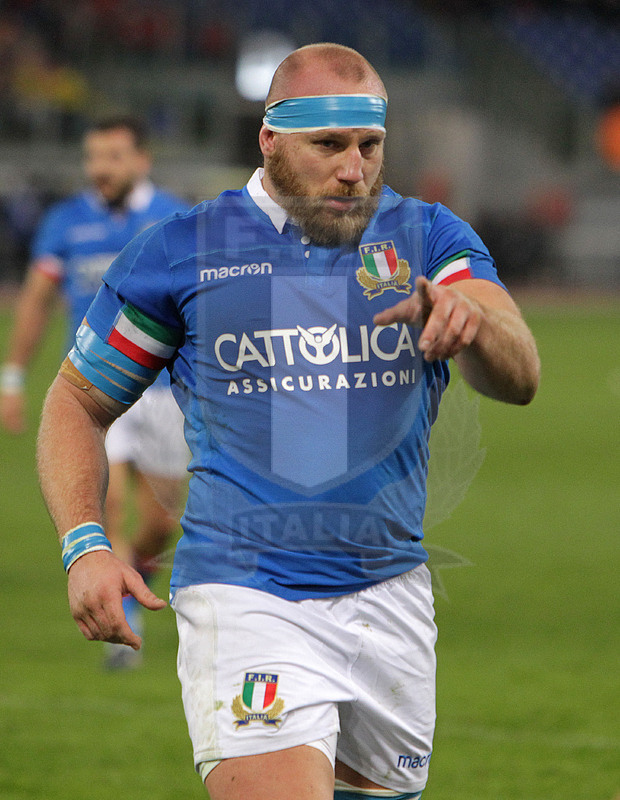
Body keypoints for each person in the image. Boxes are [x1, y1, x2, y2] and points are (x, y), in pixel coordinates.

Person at [36, 44, 540, 799]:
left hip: (391, 598)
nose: (354, 169)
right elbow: (76, 401)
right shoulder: (184, 250)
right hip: (247, 596)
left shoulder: (429, 238)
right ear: (270, 140)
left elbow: (521, 374)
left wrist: (471, 320)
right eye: (329, 146)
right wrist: (84, 545)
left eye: (369, 146)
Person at [1, 114, 190, 668]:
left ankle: (133, 572)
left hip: (162, 389)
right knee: (104, 501)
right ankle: (116, 611)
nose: (99, 169)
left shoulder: (176, 219)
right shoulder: (65, 222)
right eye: (92, 158)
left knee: (161, 521)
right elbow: (37, 299)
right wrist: (12, 377)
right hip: (95, 389)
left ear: (141, 161)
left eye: (113, 157)